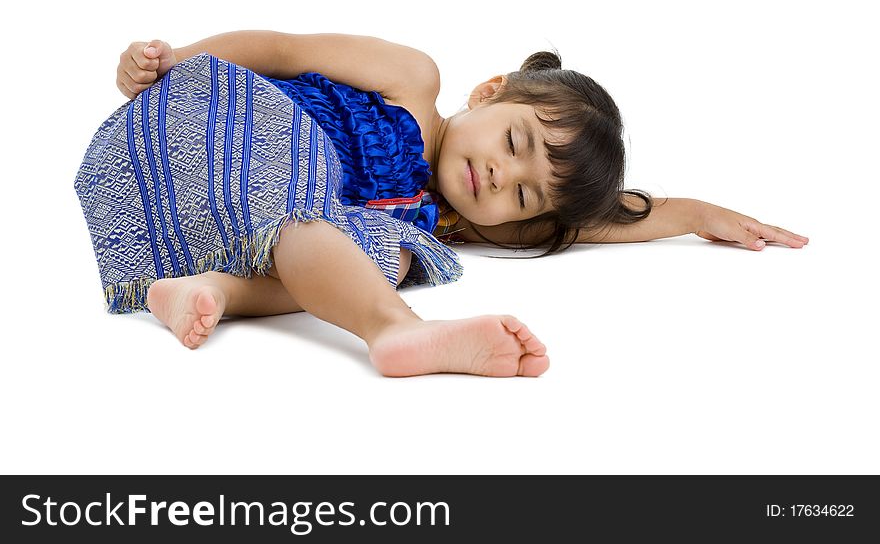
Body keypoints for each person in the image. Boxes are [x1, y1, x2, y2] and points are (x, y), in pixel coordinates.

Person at [80, 30, 808, 378]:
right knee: (310, 204)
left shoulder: (431, 219)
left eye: (524, 193)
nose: (501, 175)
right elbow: (278, 51)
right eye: (515, 141)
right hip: (204, 127)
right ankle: (396, 333)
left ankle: (208, 290)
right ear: (491, 92)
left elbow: (586, 217)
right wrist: (171, 66)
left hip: (204, 226)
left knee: (393, 255)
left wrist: (693, 213)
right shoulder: (410, 81)